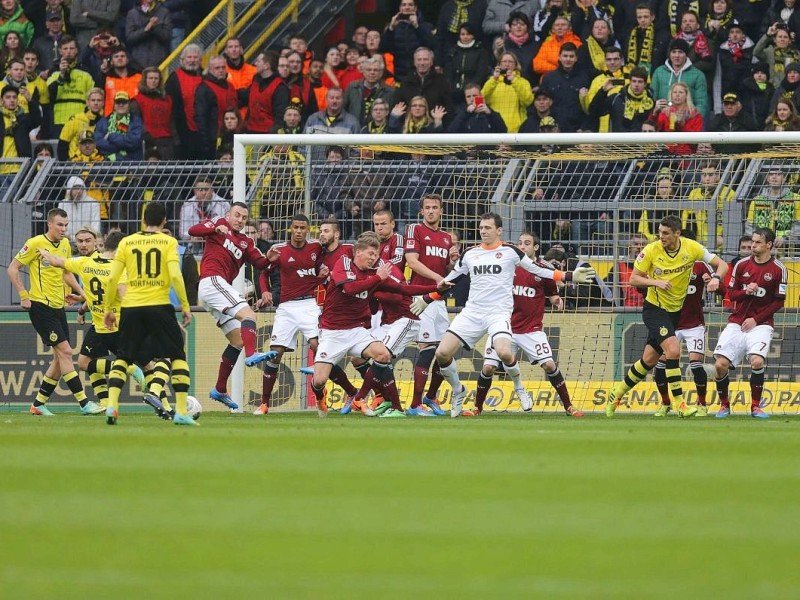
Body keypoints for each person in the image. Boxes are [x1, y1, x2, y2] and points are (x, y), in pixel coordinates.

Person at [414, 212, 595, 417]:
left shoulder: (510, 251)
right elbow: (450, 280)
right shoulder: (470, 254)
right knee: (442, 353)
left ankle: (519, 386)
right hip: (472, 312)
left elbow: (538, 269)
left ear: (499, 230)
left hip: (498, 313)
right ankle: (458, 391)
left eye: (488, 228)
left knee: (504, 353)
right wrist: (427, 298)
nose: (483, 231)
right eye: (481, 228)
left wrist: (567, 275)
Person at [605, 215, 728, 417]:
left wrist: (715, 278)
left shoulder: (692, 247)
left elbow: (721, 265)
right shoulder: (651, 250)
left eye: (665, 233)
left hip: (674, 312)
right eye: (659, 233)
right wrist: (655, 282)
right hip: (654, 309)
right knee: (673, 350)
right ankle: (680, 404)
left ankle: (616, 392)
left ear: (677, 234)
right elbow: (634, 279)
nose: (661, 237)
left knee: (648, 361)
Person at [309, 231, 439, 418]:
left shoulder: (373, 274)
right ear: (358, 252)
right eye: (371, 254)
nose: (374, 258)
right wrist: (378, 278)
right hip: (333, 332)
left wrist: (436, 287)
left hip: (357, 331)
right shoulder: (344, 264)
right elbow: (349, 288)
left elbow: (403, 289)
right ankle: (320, 396)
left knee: (383, 354)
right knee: (319, 380)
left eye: (376, 255)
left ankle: (376, 400)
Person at [252, 214, 359, 415]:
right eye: (296, 227)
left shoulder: (316, 248)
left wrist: (322, 272)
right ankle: (264, 403)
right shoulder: (279, 251)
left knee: (318, 347)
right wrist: (265, 291)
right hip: (285, 308)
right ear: (290, 229)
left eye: (303, 227)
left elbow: (325, 263)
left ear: (308, 229)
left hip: (309, 303)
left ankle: (344, 393)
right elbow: (264, 272)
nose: (299, 231)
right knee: (275, 353)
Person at [101, 202, 195, 426]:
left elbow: (113, 278)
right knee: (177, 356)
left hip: (131, 307)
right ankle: (181, 411)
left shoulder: (126, 242)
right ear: (164, 221)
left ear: (143, 220)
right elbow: (175, 276)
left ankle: (112, 406)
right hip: (159, 305)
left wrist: (107, 309)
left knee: (123, 357)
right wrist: (185, 305)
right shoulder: (168, 242)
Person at [35, 231, 149, 412]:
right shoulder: (119, 268)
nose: (83, 244)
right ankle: (108, 401)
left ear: (100, 244)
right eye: (80, 241)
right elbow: (120, 294)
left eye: (87, 241)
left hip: (107, 324)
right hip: (110, 323)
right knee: (86, 362)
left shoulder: (85, 263)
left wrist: (44, 251)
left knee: (88, 363)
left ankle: (140, 381)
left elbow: (58, 262)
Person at [6, 208, 103, 416]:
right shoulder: (34, 244)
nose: (63, 229)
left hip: (59, 307)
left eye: (66, 225)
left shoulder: (66, 244)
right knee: (66, 352)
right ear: (50, 224)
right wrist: (24, 294)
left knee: (60, 358)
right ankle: (84, 403)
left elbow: (66, 273)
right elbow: (12, 268)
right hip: (40, 306)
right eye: (60, 225)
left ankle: (38, 404)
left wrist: (83, 294)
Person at [477, 232, 583, 417]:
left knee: (550, 365)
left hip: (531, 330)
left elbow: (552, 294)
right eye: (520, 243)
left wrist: (556, 300)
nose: (522, 246)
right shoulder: (507, 267)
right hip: (504, 327)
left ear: (535, 247)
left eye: (527, 243)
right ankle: (477, 408)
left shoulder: (543, 270)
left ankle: (569, 406)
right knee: (488, 368)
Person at [190, 202, 277, 410]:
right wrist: (213, 228)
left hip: (217, 289)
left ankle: (220, 388)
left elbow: (260, 263)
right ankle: (252, 354)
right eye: (237, 215)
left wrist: (270, 259)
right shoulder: (219, 224)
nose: (239, 220)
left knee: (237, 340)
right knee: (249, 316)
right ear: (229, 215)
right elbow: (193, 230)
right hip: (212, 281)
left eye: (244, 218)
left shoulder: (246, 242)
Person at [713, 228, 787, 418]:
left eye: (757, 243)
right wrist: (747, 292)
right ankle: (724, 406)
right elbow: (731, 294)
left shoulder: (779, 269)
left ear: (768, 245)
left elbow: (779, 301)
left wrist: (756, 319)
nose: (753, 246)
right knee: (720, 365)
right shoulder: (741, 265)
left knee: (757, 361)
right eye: (752, 242)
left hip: (761, 323)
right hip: (737, 322)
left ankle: (755, 407)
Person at [402, 193, 457, 415]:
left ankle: (431, 396)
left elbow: (447, 273)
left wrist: (453, 263)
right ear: (421, 211)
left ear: (441, 211)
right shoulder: (414, 230)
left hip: (439, 301)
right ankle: (415, 405)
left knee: (445, 352)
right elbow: (412, 261)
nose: (431, 211)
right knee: (426, 349)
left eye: (435, 207)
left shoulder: (446, 238)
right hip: (421, 299)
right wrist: (437, 279)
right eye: (427, 207)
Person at [650, 257, 717, 417]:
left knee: (695, 365)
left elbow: (722, 290)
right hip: (670, 324)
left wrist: (711, 282)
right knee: (660, 366)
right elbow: (644, 289)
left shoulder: (701, 266)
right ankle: (666, 403)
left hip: (694, 324)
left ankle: (702, 404)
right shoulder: (665, 264)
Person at [46, 35, 94, 138]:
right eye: (65, 49)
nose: (68, 52)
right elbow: (49, 95)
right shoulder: (54, 71)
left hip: (81, 118)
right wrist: (61, 75)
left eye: (71, 48)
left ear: (77, 50)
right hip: (59, 120)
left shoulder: (85, 71)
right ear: (60, 51)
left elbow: (92, 96)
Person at [538, 42, 592, 132]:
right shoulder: (548, 78)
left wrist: (583, 128)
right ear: (559, 57)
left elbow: (589, 107)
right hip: (553, 130)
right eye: (565, 56)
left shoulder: (585, 78)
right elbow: (541, 104)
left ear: (576, 58)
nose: (568, 59)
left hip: (578, 130)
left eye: (571, 56)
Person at [682, 160, 735, 250]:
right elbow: (687, 219)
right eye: (704, 175)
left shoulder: (729, 193)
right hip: (699, 244)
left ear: (718, 176)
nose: (707, 179)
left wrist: (724, 238)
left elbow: (734, 221)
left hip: (721, 245)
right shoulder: (694, 194)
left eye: (710, 175)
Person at [650, 38, 709, 118]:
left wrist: (687, 118)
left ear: (686, 54)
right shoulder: (659, 72)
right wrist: (655, 106)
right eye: (673, 52)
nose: (677, 56)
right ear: (669, 54)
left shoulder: (698, 75)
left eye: (680, 52)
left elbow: (701, 105)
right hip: (662, 120)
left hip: (687, 121)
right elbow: (651, 99)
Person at [194, 55, 239, 160]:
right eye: (217, 68)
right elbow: (200, 117)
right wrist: (206, 141)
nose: (221, 70)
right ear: (210, 70)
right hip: (214, 138)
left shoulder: (230, 86)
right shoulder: (204, 88)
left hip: (231, 135)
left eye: (223, 67)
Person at [378, 0, 436, 81]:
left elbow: (431, 45)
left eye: (410, 5)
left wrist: (417, 26)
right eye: (404, 5)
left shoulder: (426, 26)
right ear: (400, 8)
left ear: (415, 8)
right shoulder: (394, 27)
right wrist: (391, 28)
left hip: (422, 77)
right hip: (400, 77)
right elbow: (383, 48)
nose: (407, 7)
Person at [745, 166, 800, 249]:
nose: (774, 177)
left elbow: (798, 225)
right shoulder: (756, 201)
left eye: (778, 174)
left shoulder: (796, 199)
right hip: (762, 249)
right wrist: (761, 241)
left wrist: (785, 239)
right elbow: (749, 226)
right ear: (767, 178)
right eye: (771, 174)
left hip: (788, 250)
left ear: (784, 178)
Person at [394, 46, 453, 123]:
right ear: (414, 62)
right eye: (419, 60)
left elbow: (448, 109)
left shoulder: (442, 82)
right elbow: (398, 106)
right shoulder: (405, 82)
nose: (422, 63)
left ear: (431, 62)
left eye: (425, 59)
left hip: (434, 128)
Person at [164, 43, 203, 159]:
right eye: (189, 57)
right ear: (182, 60)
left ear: (200, 60)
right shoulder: (174, 78)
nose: (192, 60)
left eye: (195, 57)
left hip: (202, 130)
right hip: (182, 131)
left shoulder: (206, 76)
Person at [480, 51, 533, 132]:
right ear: (499, 64)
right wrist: (494, 80)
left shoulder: (523, 82)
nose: (507, 64)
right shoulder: (492, 82)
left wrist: (514, 81)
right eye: (504, 61)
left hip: (516, 130)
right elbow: (482, 98)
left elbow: (527, 101)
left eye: (510, 61)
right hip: (495, 128)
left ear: (515, 65)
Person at [132, 66, 174, 159]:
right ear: (145, 80)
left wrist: (176, 141)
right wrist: (147, 137)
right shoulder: (137, 100)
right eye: (150, 78)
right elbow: (136, 122)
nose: (153, 81)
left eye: (156, 78)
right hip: (148, 141)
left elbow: (172, 120)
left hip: (167, 141)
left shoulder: (167, 99)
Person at [342, 55, 395, 126]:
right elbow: (343, 109)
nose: (372, 72)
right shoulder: (352, 87)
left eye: (376, 70)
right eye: (369, 70)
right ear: (363, 71)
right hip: (353, 130)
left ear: (381, 73)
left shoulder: (390, 91)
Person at [443, 23, 489, 104]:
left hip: (474, 93)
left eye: (468, 34)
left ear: (473, 35)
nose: (465, 37)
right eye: (463, 34)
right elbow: (448, 73)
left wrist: (469, 90)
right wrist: (452, 89)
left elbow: (481, 74)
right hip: (454, 93)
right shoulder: (452, 52)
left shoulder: (481, 52)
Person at [653, 81, 703, 154]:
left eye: (681, 92)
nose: (677, 95)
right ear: (671, 94)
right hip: (667, 152)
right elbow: (655, 130)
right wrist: (654, 113)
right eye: (675, 92)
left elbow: (695, 140)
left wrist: (681, 126)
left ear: (686, 95)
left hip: (687, 154)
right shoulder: (664, 113)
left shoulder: (695, 115)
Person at [94, 91, 144, 161]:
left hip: (130, 164)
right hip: (107, 163)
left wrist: (111, 136)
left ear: (129, 105)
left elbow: (134, 142)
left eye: (124, 102)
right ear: (114, 105)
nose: (121, 105)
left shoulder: (136, 121)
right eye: (118, 102)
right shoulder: (103, 121)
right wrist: (121, 146)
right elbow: (98, 143)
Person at [57, 87, 103, 161]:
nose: (96, 103)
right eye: (93, 100)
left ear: (103, 103)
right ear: (87, 102)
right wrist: (64, 166)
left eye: (99, 100)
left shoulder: (104, 122)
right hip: (74, 164)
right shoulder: (75, 120)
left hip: (96, 164)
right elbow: (62, 144)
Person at [125, 0, 172, 72]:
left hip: (159, 63)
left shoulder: (164, 12)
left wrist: (154, 28)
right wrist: (145, 30)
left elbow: (166, 37)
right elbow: (130, 38)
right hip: (137, 64)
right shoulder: (132, 13)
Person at [604, 233, 647, 307]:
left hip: (646, 311)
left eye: (642, 244)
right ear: (629, 247)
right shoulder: (618, 268)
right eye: (636, 244)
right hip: (623, 313)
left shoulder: (651, 268)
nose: (639, 247)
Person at [99, 45, 140, 116]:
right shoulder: (105, 78)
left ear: (127, 60)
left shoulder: (139, 77)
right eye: (116, 56)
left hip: (134, 120)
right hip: (111, 120)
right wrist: (102, 72)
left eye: (122, 56)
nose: (120, 58)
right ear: (111, 61)